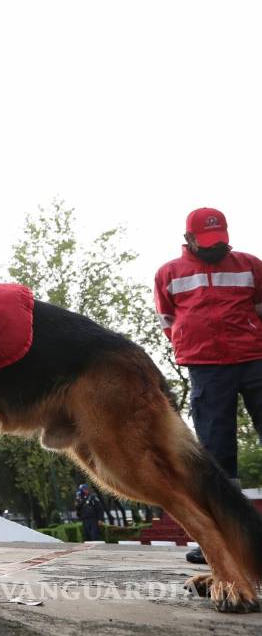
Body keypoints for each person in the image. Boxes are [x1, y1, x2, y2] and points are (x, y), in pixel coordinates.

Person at [154, 207, 262, 564]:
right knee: (216, 453)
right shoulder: (169, 274)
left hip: (255, 360)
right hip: (207, 368)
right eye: (207, 242)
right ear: (188, 239)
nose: (216, 248)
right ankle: (225, 536)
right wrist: (193, 344)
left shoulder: (250, 265)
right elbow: (168, 320)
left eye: (220, 241)